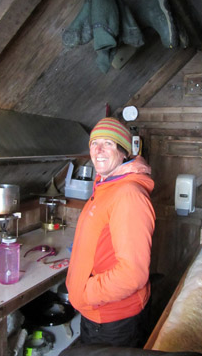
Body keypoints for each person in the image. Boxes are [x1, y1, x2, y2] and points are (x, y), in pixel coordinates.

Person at [66, 117, 155, 348]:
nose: (98, 150)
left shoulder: (128, 194)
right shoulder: (106, 186)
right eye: (94, 143)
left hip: (113, 320)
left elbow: (132, 274)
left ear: (124, 152)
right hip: (96, 313)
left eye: (108, 143)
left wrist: (85, 293)